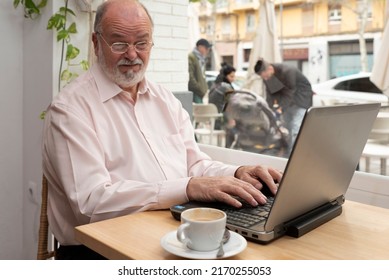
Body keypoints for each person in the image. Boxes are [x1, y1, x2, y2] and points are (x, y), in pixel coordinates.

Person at [42, 0, 282, 260]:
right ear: (96, 42)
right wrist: (188, 188)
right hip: (97, 251)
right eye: (120, 43)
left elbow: (195, 164)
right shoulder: (69, 110)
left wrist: (237, 173)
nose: (132, 55)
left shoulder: (164, 100)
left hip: (170, 234)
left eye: (142, 43)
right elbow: (91, 204)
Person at [254, 58, 313, 156]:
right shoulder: (267, 77)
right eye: (263, 77)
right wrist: (269, 110)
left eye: (266, 76)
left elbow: (290, 92)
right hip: (288, 102)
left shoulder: (288, 71)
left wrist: (281, 109)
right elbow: (270, 95)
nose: (265, 79)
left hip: (301, 99)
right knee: (287, 128)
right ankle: (287, 154)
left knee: (296, 128)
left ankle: (294, 156)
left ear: (269, 68)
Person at [208, 62, 237, 147]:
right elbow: (234, 103)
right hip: (221, 122)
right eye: (231, 76)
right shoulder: (226, 87)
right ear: (225, 76)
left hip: (212, 120)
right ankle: (228, 150)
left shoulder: (214, 85)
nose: (233, 79)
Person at [188, 38, 211, 103]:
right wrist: (199, 89)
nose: (207, 51)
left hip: (200, 93)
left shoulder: (201, 59)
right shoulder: (192, 57)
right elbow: (190, 77)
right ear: (200, 47)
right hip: (195, 92)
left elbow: (202, 76)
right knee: (199, 111)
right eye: (206, 48)